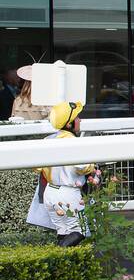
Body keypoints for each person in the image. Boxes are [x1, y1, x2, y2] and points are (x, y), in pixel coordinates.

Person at [26, 101, 95, 246]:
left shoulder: (48, 139)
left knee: (63, 232)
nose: (80, 120)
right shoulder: (73, 142)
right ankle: (58, 253)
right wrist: (93, 166)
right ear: (69, 124)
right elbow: (82, 167)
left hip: (50, 193)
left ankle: (61, 262)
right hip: (68, 193)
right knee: (81, 230)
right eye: (77, 118)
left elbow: (37, 167)